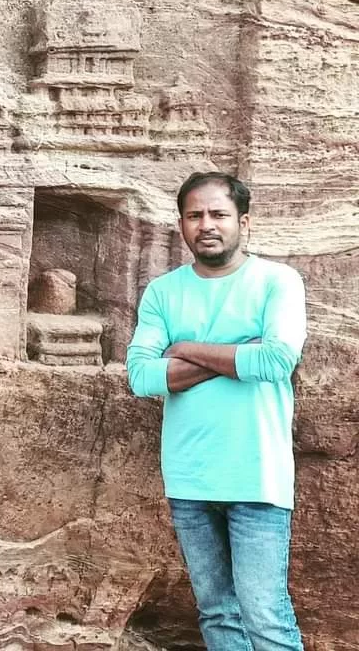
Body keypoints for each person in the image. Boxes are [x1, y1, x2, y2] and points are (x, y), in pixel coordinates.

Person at [126, 171, 306, 650]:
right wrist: (231, 355)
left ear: (243, 222)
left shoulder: (277, 282)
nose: (207, 224)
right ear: (182, 224)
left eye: (219, 214)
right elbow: (141, 377)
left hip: (257, 475)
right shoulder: (163, 292)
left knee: (265, 615)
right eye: (194, 215)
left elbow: (275, 360)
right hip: (190, 477)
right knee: (217, 614)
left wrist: (184, 351)